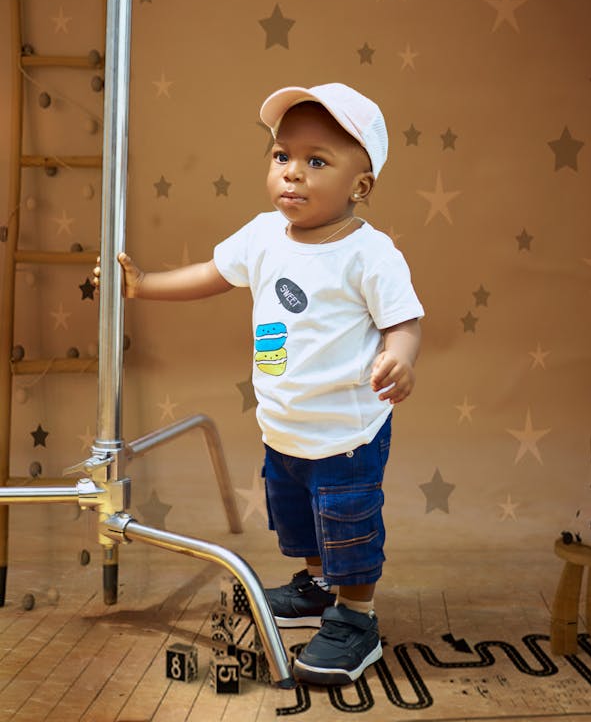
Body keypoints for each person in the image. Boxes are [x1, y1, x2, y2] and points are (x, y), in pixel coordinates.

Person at [93, 83, 424, 685]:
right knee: (299, 518)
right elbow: (212, 274)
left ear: (361, 185)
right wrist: (143, 285)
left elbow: (404, 320)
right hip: (284, 425)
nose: (292, 174)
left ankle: (356, 618)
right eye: (281, 156)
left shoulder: (369, 254)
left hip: (346, 432)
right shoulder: (263, 233)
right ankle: (319, 586)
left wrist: (399, 357)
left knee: (348, 523)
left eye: (316, 162)